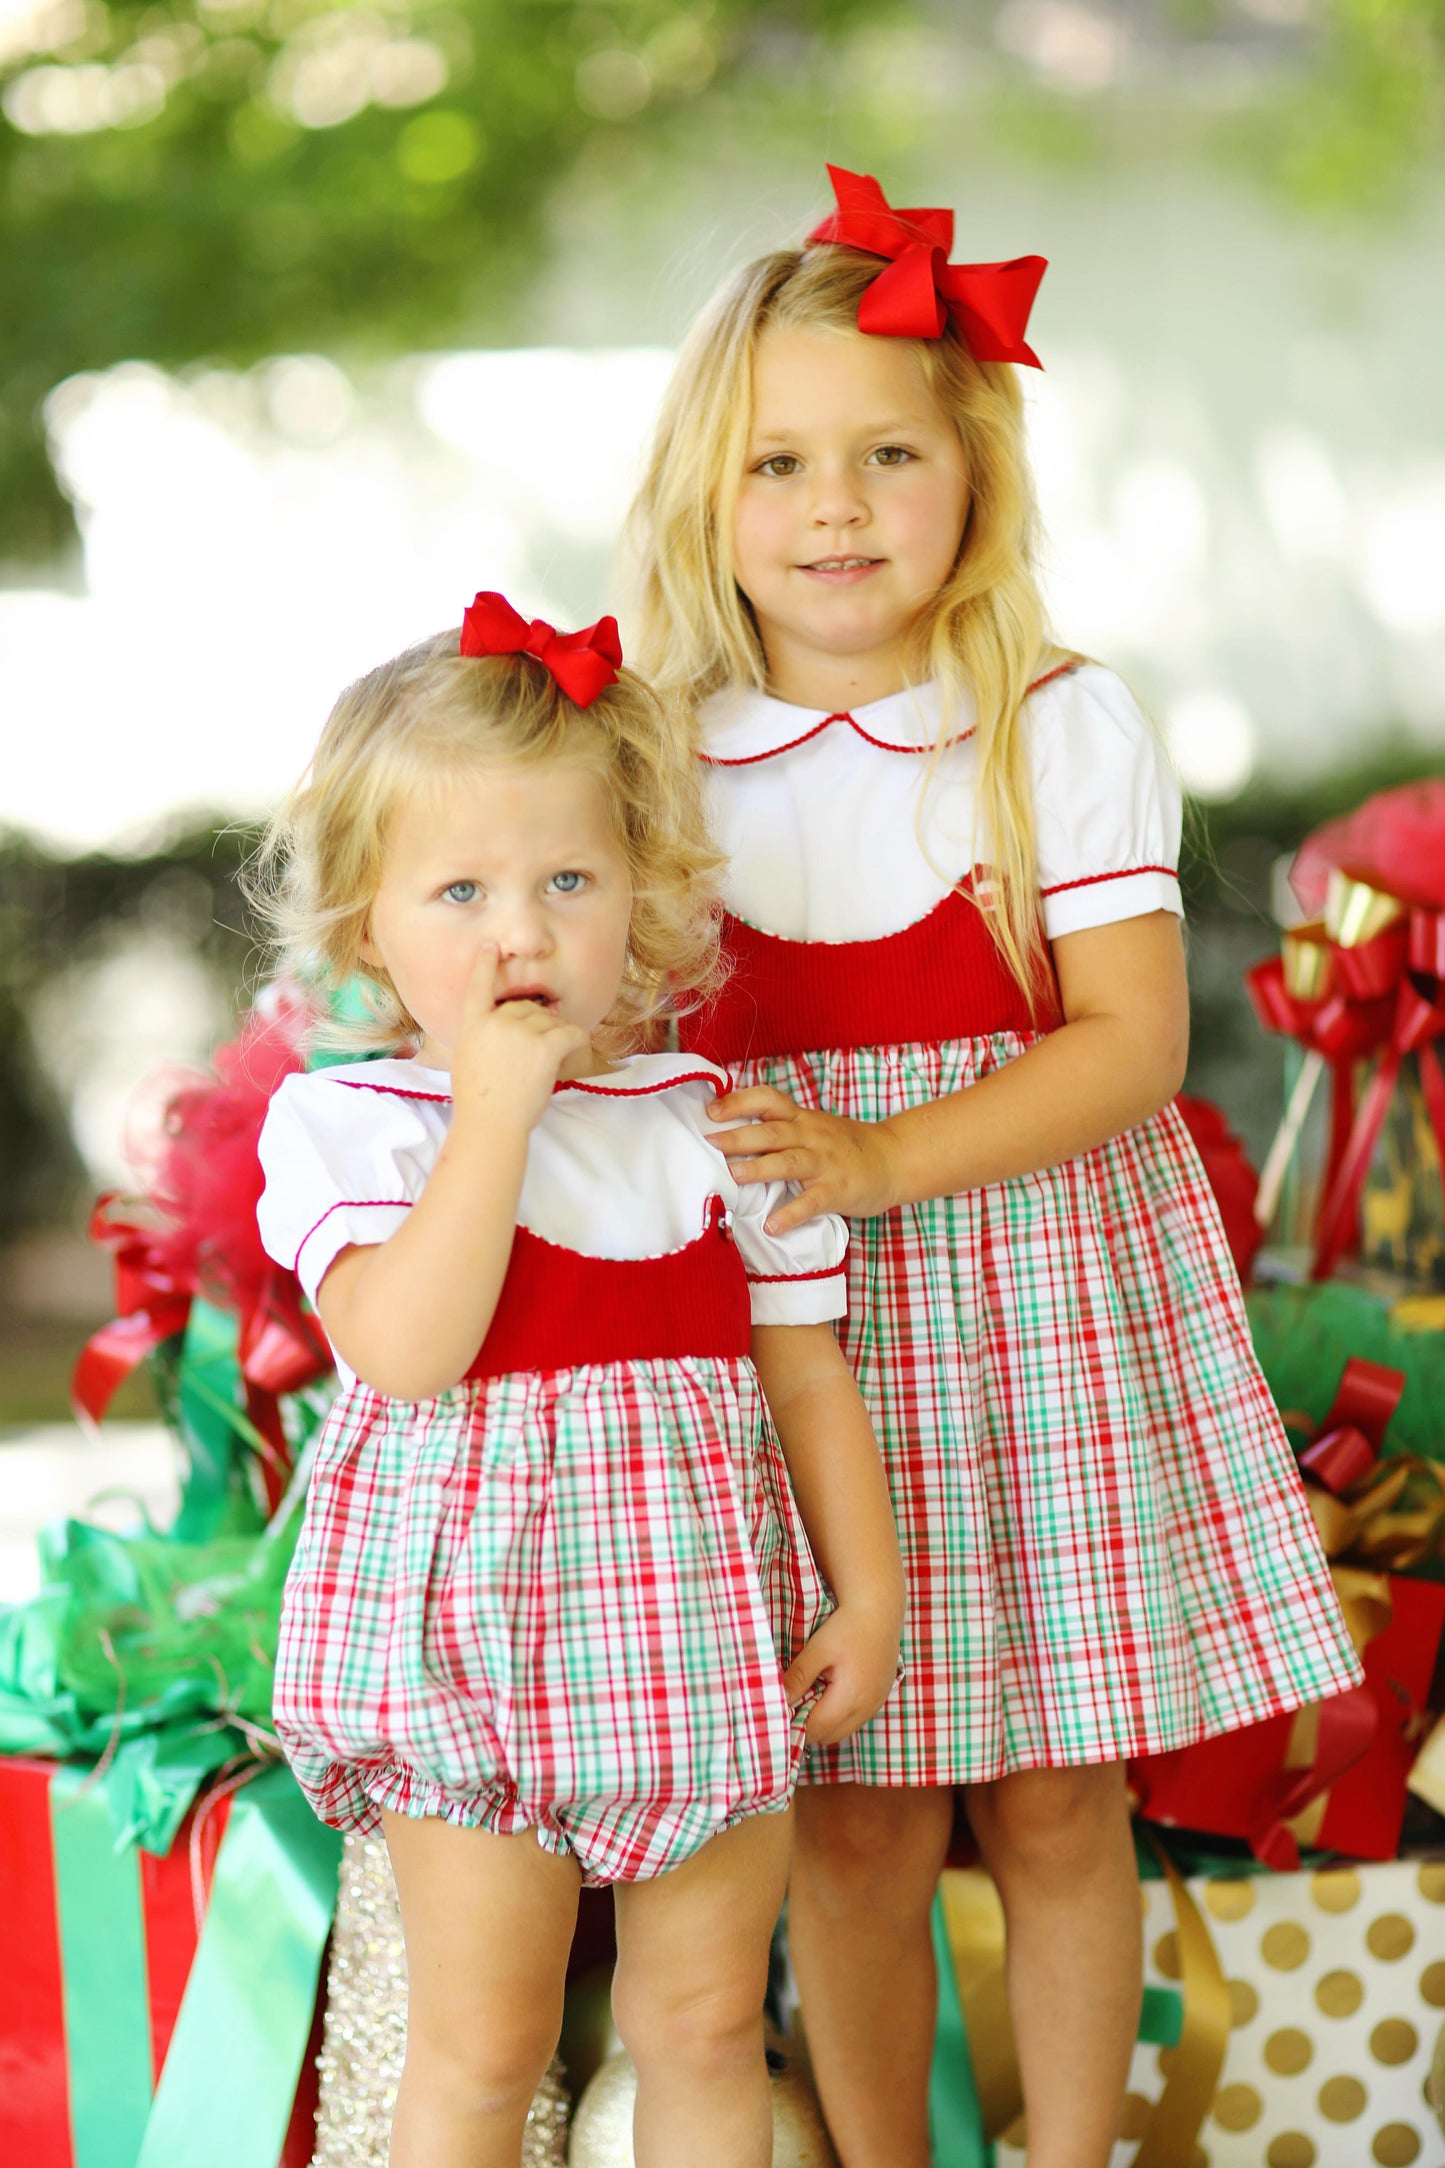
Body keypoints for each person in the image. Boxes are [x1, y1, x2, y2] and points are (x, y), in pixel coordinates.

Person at [625, 166, 1363, 2168]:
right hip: (796, 1331)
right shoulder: (657, 751)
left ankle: (1066, 2154)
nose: (837, 504)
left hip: (1033, 1295)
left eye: (887, 453)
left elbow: (1130, 1041)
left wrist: (886, 1152)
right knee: (853, 1797)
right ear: (710, 490)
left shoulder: (1052, 725)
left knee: (1050, 1790)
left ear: (974, 478)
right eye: (780, 462)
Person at [251, 590, 905, 2168]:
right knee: (485, 2051)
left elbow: (802, 1374)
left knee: (699, 2028)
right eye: (459, 890)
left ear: (642, 896)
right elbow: (407, 1350)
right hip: (463, 1652)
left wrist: (866, 1592)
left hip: (688, 1636)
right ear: (367, 930)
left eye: (566, 879)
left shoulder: (708, 1122)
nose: (520, 932)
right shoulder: (357, 1131)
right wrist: (490, 1115)